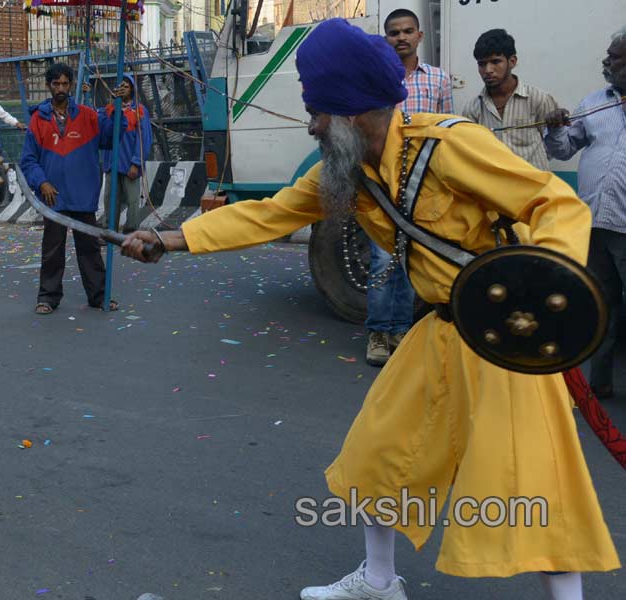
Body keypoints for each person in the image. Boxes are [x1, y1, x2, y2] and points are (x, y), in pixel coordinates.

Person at [122, 19, 619, 600]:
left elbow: (552, 201)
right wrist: (171, 239)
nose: (311, 124)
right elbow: (270, 214)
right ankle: (379, 582)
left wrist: (546, 288)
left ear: (354, 111)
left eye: (318, 111)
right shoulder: (346, 170)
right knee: (379, 451)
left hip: (501, 339)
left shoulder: (449, 145)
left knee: (533, 483)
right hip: (437, 331)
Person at [362, 8, 455, 367]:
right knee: (383, 258)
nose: (400, 37)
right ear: (385, 38)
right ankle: (377, 332)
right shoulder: (375, 82)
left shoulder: (438, 80)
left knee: (410, 260)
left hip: (423, 186)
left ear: (419, 36)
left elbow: (447, 132)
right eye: (393, 32)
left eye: (407, 31)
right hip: (383, 183)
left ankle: (401, 330)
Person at [545, 28, 626, 400]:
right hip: (595, 222)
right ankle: (601, 383)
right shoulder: (595, 103)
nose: (607, 63)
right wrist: (554, 127)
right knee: (600, 304)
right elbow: (563, 150)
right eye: (608, 56)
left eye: (615, 56)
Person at [20, 62, 119, 315]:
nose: (61, 88)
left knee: (89, 249)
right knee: (52, 249)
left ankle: (99, 296)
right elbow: (28, 160)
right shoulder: (37, 119)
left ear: (72, 85)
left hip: (83, 195)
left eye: (65, 84)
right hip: (53, 199)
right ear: (48, 86)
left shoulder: (88, 115)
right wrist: (42, 182)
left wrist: (114, 108)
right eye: (56, 84)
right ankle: (48, 297)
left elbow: (110, 137)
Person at [462, 29, 559, 170]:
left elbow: (554, 145)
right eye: (482, 64)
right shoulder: (472, 109)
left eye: (495, 62)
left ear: (512, 61)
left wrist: (533, 165)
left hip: (534, 187)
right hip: (494, 188)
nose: (488, 70)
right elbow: (471, 152)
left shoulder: (538, 99)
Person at [101, 73, 152, 232]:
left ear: (132, 89)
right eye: (120, 86)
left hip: (130, 164)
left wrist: (136, 163)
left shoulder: (139, 110)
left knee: (132, 200)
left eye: (126, 86)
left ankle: (131, 231)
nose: (122, 89)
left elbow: (144, 139)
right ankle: (110, 231)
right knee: (110, 199)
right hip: (111, 164)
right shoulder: (109, 110)